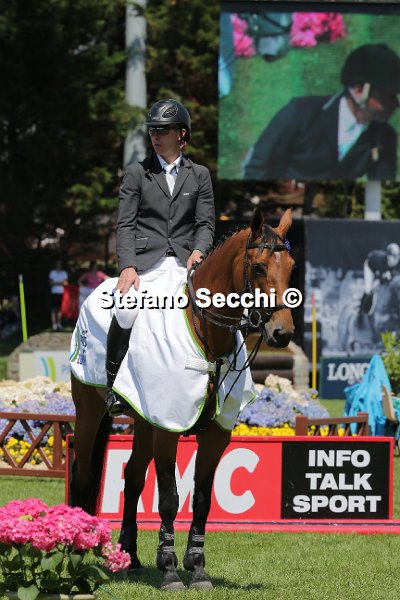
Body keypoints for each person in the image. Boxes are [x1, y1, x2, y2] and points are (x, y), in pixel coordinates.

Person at [105, 99, 215, 416]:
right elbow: (125, 224)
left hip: (186, 263)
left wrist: (199, 251)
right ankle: (114, 387)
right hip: (145, 263)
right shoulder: (136, 173)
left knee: (220, 309)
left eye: (164, 130)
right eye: (153, 130)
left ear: (182, 135)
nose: (156, 136)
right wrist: (127, 266)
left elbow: (205, 223)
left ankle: (217, 385)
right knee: (125, 308)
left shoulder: (200, 175)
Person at [243, 44, 400, 181]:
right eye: (387, 96)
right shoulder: (301, 113)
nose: (395, 104)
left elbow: (381, 186)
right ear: (358, 89)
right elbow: (258, 167)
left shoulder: (384, 137)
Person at [359, 243, 400, 316]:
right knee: (369, 289)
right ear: (388, 256)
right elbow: (378, 281)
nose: (396, 261)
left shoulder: (394, 264)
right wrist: (383, 279)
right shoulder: (382, 261)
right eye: (394, 258)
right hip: (370, 267)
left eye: (397, 258)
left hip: (380, 270)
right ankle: (361, 311)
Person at [49, 260, 68, 331]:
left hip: (62, 293)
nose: (59, 265)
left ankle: (59, 324)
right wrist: (61, 282)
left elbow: (66, 283)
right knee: (54, 309)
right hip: (54, 293)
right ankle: (54, 324)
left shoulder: (64, 273)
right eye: (57, 264)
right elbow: (50, 283)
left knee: (60, 309)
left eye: (60, 264)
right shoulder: (52, 272)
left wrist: (55, 282)